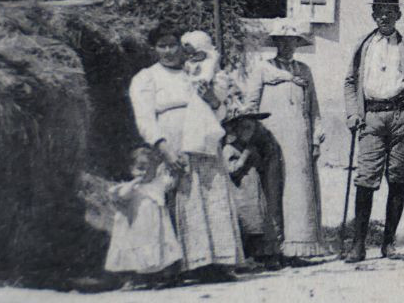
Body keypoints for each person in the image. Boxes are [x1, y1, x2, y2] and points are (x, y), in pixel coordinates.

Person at [127, 24, 243, 281]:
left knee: (209, 199)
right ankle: (173, 267)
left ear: (183, 46)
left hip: (202, 142)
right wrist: (164, 148)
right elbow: (144, 118)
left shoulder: (196, 73)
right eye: (162, 46)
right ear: (154, 49)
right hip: (171, 143)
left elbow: (219, 114)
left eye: (173, 44)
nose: (168, 51)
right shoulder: (147, 78)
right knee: (175, 198)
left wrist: (213, 99)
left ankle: (211, 264)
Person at [342, 0, 404, 262]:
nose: (385, 16)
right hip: (372, 118)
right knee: (365, 179)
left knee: (398, 179)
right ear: (373, 15)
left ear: (398, 15)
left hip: (401, 118)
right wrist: (353, 114)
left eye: (390, 11)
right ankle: (358, 245)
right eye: (379, 11)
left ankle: (389, 243)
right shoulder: (363, 46)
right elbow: (349, 83)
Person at [244, 22, 327, 258]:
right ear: (276, 43)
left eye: (292, 41)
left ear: (298, 44)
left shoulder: (304, 70)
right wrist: (252, 138)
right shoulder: (263, 69)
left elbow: (314, 108)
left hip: (299, 138)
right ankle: (272, 244)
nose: (288, 45)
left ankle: (301, 243)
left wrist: (315, 138)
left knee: (299, 188)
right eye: (283, 41)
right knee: (272, 185)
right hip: (272, 137)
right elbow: (250, 105)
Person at [102, 146, 183, 287]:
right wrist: (135, 182)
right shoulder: (131, 187)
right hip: (137, 227)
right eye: (140, 168)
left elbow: (171, 183)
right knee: (137, 251)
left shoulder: (157, 184)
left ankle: (159, 276)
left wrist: (174, 172)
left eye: (149, 168)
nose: (144, 172)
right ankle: (133, 279)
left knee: (158, 251)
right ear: (131, 169)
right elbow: (121, 195)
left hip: (156, 228)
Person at [223, 110, 286, 268]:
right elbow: (232, 170)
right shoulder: (230, 149)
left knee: (259, 226)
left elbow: (261, 167)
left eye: (251, 128)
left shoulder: (252, 148)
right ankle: (246, 258)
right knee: (246, 226)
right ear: (235, 129)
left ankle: (263, 256)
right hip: (241, 195)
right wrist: (244, 156)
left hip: (255, 195)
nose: (247, 132)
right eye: (243, 128)